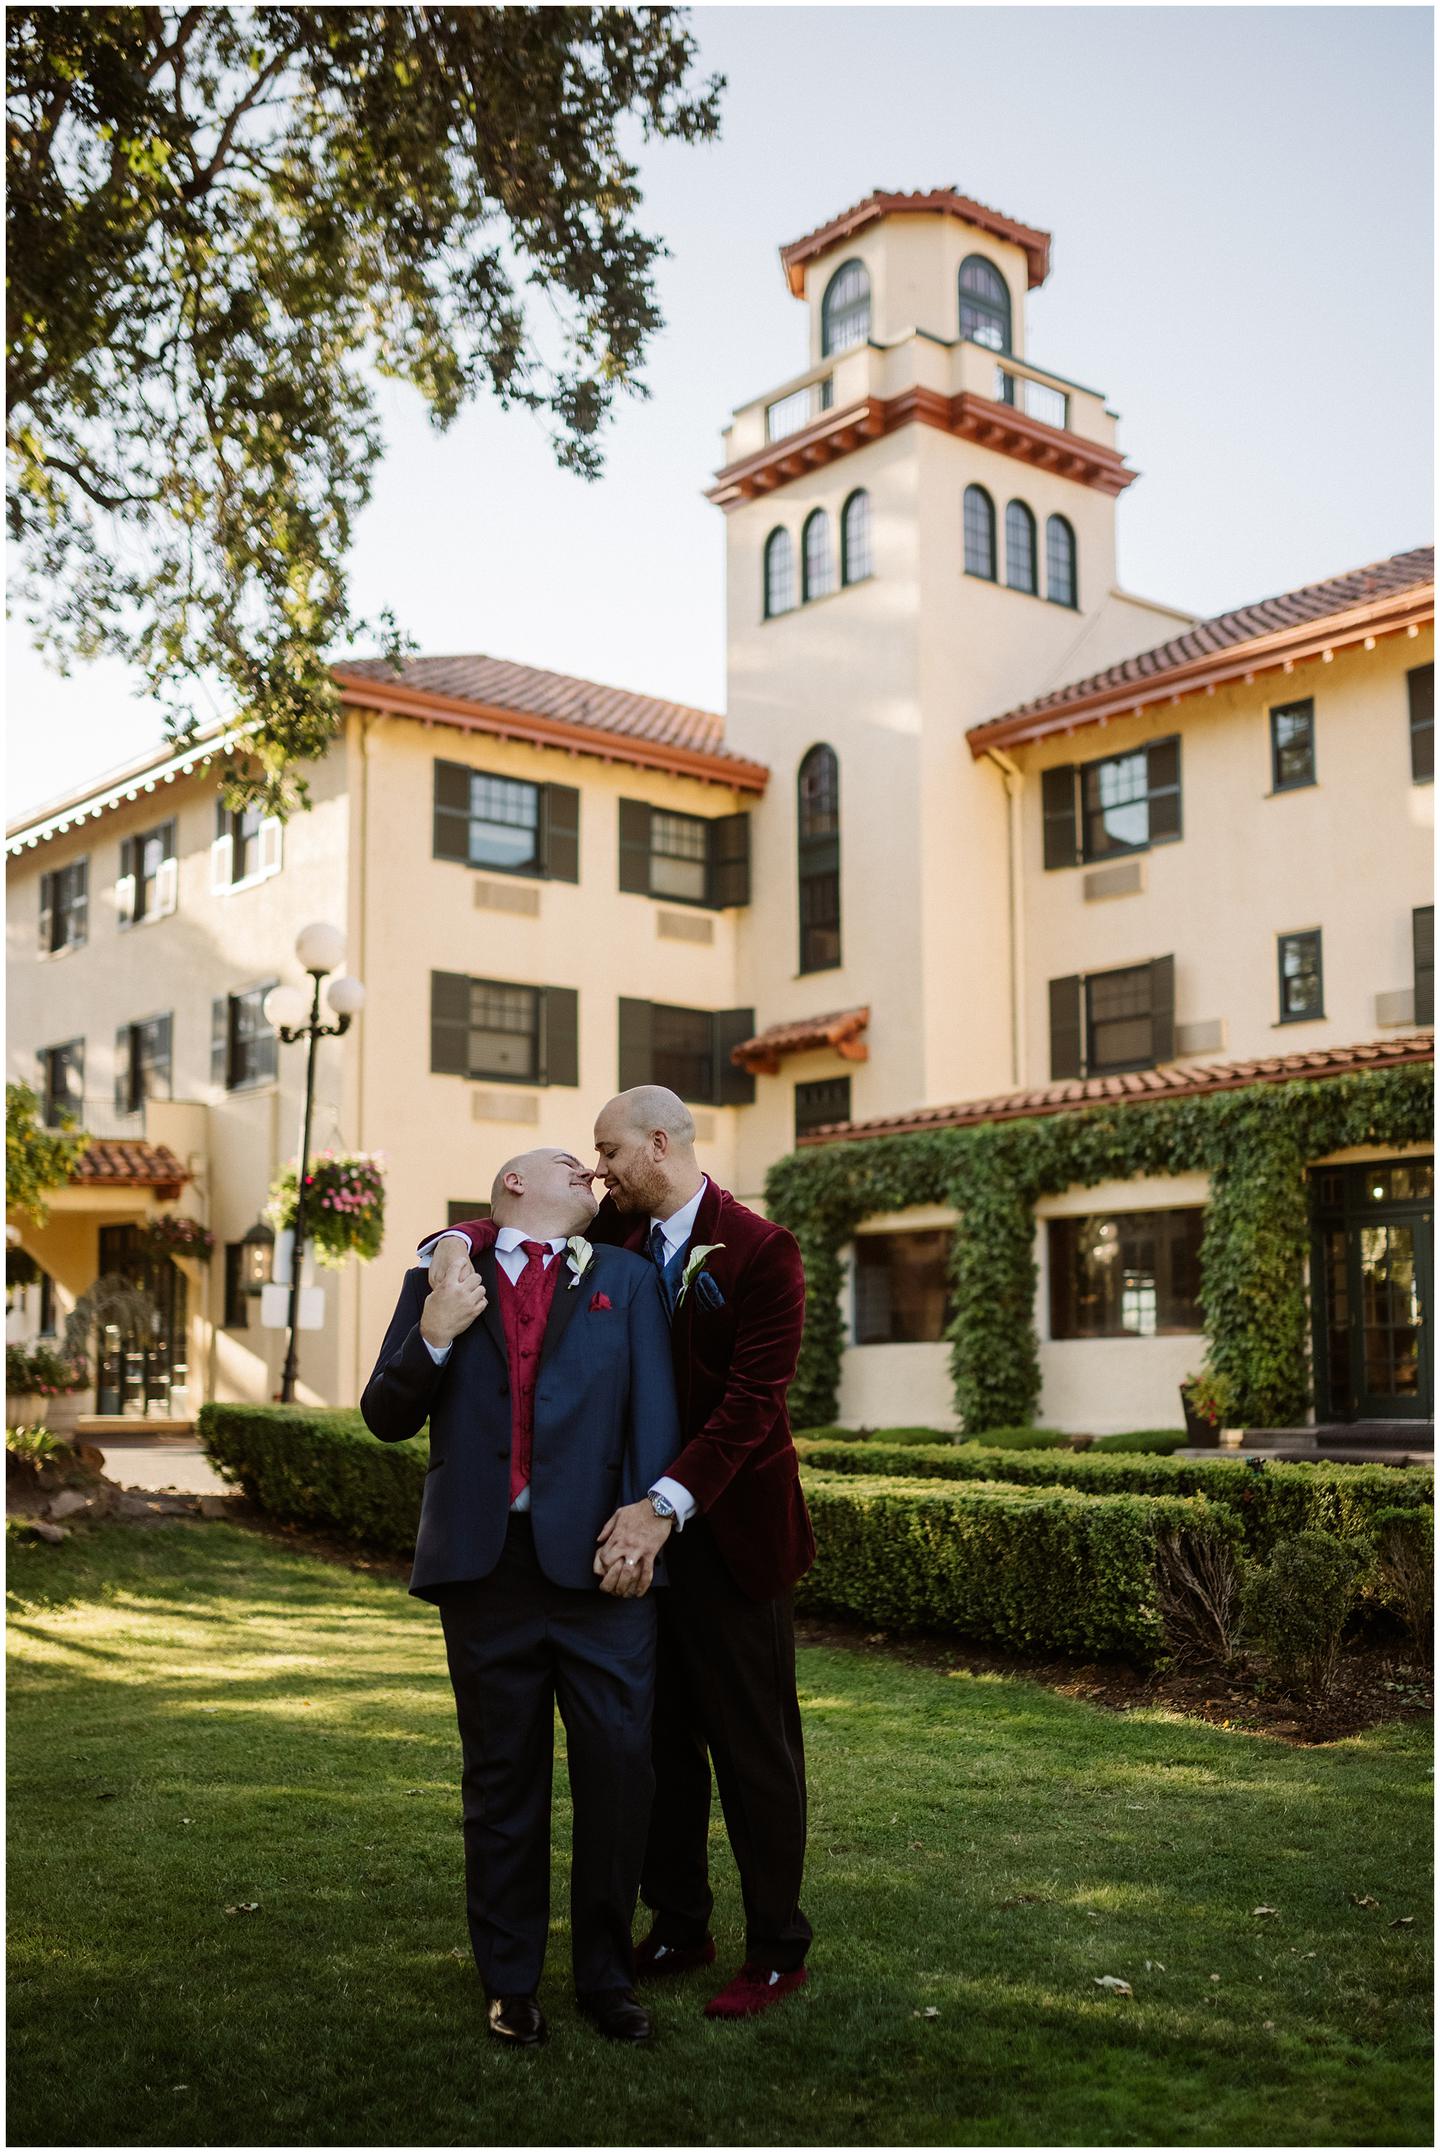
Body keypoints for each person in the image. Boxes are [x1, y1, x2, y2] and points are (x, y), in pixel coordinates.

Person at [419, 1087, 815, 2022]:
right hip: (624, 1554)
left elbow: (750, 1410)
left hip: (726, 1540)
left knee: (753, 1751)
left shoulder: (763, 1251)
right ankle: (680, 1922)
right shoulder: (622, 1243)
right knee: (653, 1749)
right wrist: (442, 1244)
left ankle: (776, 1948)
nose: (596, 1168)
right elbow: (512, 1225)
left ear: (661, 1143)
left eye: (608, 1149)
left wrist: (661, 1507)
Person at [362, 1146, 679, 2049]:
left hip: (602, 1571)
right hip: (485, 1570)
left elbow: (654, 1413)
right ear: (511, 1185)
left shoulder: (626, 1274)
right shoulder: (442, 1272)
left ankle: (608, 1978)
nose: (593, 1177)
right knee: (503, 1783)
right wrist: (435, 1332)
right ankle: (510, 1982)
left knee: (620, 1773)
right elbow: (385, 1413)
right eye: (572, 1166)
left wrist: (648, 1526)